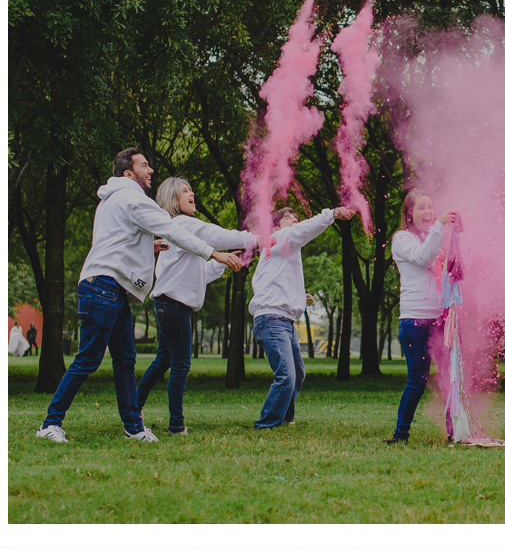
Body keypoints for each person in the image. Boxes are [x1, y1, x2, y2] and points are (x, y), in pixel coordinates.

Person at [35, 148, 242, 444]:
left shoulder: (113, 201)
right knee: (90, 358)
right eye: (144, 165)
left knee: (125, 360)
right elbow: (171, 229)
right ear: (128, 173)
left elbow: (119, 240)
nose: (151, 170)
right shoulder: (132, 198)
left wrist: (148, 247)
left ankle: (133, 427)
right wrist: (215, 254)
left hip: (113, 287)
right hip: (103, 286)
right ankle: (50, 423)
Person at [136, 177, 256, 435]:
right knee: (180, 365)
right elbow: (221, 236)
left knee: (163, 361)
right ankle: (176, 425)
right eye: (185, 191)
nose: (192, 193)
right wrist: (256, 239)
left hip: (166, 305)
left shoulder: (177, 230)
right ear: (172, 199)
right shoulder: (183, 223)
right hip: (174, 307)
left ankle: (134, 409)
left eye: (192, 188)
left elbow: (201, 272)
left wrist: (222, 263)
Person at [249, 204, 353, 429]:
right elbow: (304, 230)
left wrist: (297, 295)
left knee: (297, 373)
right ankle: (266, 423)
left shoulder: (284, 251)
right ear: (276, 226)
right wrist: (331, 214)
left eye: (294, 216)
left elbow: (270, 281)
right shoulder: (280, 237)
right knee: (286, 375)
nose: (293, 219)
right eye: (287, 217)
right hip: (272, 319)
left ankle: (284, 418)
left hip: (283, 319)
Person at [384, 189, 457, 444]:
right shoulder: (402, 239)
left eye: (431, 207)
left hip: (440, 319)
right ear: (409, 214)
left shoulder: (438, 238)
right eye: (421, 208)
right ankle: (400, 434)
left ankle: (454, 432)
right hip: (414, 320)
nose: (428, 212)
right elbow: (423, 256)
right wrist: (440, 226)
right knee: (418, 379)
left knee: (450, 378)